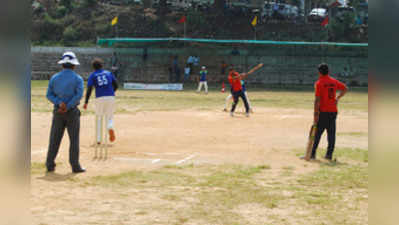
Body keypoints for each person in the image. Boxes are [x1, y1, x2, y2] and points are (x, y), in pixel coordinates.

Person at [45, 51, 85, 173]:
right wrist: (68, 106)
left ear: (62, 65)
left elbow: (49, 95)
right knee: (74, 140)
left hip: (58, 112)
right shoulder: (78, 79)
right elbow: (78, 95)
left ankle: (50, 164)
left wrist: (59, 103)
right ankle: (75, 166)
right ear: (74, 65)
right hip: (72, 112)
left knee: (54, 138)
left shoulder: (54, 78)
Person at [310, 63, 348, 160]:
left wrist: (315, 113)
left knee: (317, 134)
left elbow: (317, 100)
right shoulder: (333, 81)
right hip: (333, 111)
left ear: (319, 72)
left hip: (323, 112)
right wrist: (337, 98)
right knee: (331, 134)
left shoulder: (319, 83)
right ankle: (329, 155)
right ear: (328, 71)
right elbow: (345, 88)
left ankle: (312, 154)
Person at [84, 58, 119, 145]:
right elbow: (116, 85)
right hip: (110, 96)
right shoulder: (108, 73)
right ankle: (110, 126)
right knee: (109, 116)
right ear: (102, 66)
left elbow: (89, 89)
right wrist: (111, 92)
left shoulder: (93, 75)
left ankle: (99, 139)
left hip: (99, 97)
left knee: (99, 117)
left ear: (93, 67)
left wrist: (86, 102)